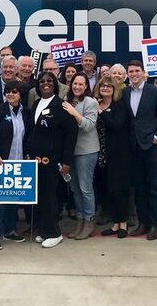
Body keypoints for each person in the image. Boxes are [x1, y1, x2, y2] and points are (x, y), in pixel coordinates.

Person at [28, 71, 78, 248]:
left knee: (50, 196)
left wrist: (66, 162)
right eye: (42, 81)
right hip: (36, 160)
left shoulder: (61, 105)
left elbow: (71, 135)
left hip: (53, 160)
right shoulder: (36, 104)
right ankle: (44, 230)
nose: (45, 83)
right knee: (40, 196)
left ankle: (55, 233)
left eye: (49, 81)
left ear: (55, 84)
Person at [0, 80, 32, 250]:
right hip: (0, 163)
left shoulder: (27, 113)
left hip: (18, 163)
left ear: (21, 95)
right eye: (8, 91)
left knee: (13, 198)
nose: (10, 94)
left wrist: (28, 155)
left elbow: (28, 137)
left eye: (14, 92)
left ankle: (10, 230)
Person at [124, 60, 157, 241]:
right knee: (139, 187)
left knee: (153, 187)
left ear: (143, 73)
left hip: (152, 147)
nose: (134, 74)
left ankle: (155, 225)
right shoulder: (126, 92)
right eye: (131, 71)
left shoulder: (155, 92)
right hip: (134, 147)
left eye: (137, 71)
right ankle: (142, 223)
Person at [61, 72, 99, 240]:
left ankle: (89, 220)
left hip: (87, 150)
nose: (77, 86)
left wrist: (73, 112)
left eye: (80, 84)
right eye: (75, 83)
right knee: (75, 189)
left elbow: (88, 126)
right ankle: (81, 218)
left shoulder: (90, 102)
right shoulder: (66, 99)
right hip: (70, 152)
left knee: (85, 188)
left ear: (86, 86)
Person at [94, 74, 131, 238]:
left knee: (119, 189)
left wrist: (101, 112)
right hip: (101, 153)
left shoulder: (119, 105)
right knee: (108, 189)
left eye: (109, 86)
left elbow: (116, 125)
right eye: (102, 86)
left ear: (114, 89)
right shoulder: (97, 104)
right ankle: (115, 224)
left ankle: (123, 223)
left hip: (119, 153)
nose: (105, 88)